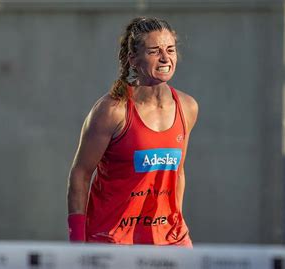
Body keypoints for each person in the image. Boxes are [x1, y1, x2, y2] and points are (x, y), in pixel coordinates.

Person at [67, 17, 198, 246]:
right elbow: (80, 174)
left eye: (170, 50)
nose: (165, 58)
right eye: (155, 51)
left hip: (170, 239)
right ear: (133, 60)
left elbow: (178, 173)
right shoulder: (112, 111)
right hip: (113, 241)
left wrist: (174, 225)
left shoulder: (187, 107)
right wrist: (77, 242)